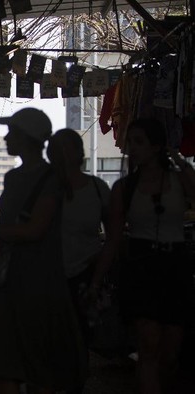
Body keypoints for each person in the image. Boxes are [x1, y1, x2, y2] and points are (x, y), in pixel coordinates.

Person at [0, 108, 87, 393]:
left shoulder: (49, 178)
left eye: (12, 132)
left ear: (26, 137)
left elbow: (35, 229)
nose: (6, 137)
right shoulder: (17, 177)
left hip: (35, 278)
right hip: (19, 276)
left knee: (29, 360)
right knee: (10, 360)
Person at [89, 118, 195, 394]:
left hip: (175, 265)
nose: (132, 148)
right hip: (141, 265)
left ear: (156, 145)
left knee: (171, 352)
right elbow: (112, 238)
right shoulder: (124, 188)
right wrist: (96, 280)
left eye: (139, 141)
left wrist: (179, 161)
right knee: (149, 345)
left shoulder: (177, 178)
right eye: (130, 142)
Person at [47, 128, 110, 393]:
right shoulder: (43, 187)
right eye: (57, 147)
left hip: (86, 275)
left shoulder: (97, 188)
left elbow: (114, 234)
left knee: (81, 340)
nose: (62, 152)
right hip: (47, 277)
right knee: (49, 342)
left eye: (66, 147)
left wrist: (98, 278)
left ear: (78, 152)